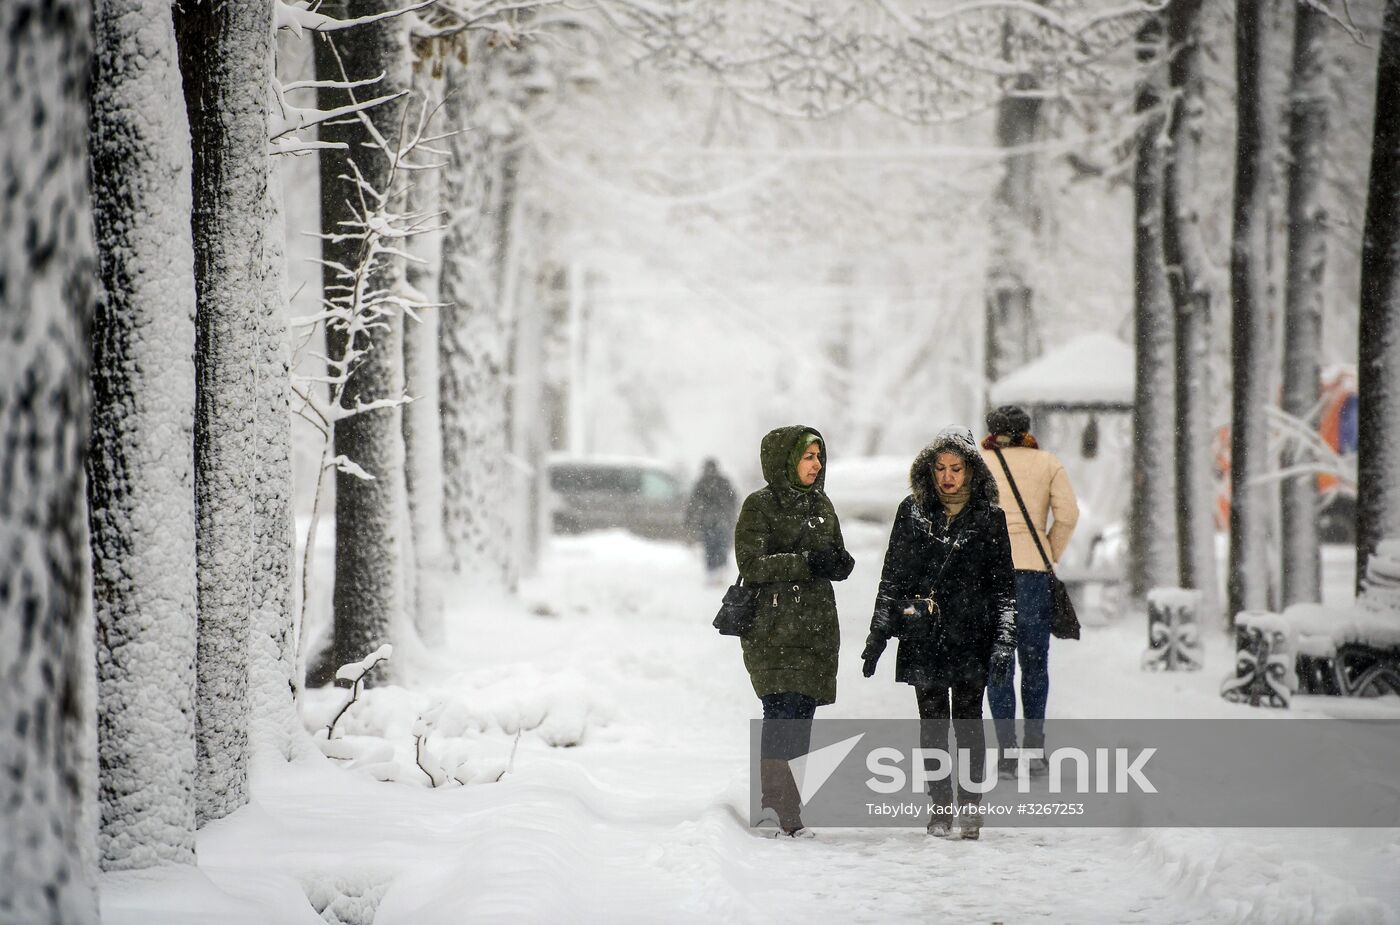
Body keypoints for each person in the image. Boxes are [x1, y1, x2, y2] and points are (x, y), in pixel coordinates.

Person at [861, 426, 1016, 840]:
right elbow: (891, 578)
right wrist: (878, 635)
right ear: (928, 471)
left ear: (971, 472)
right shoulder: (910, 512)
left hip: (973, 635)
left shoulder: (990, 518)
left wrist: (1003, 642)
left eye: (956, 468)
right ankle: (940, 807)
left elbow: (1004, 589)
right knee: (931, 726)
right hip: (923, 636)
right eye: (940, 468)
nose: (947, 477)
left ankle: (969, 807)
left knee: (968, 723)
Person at [734, 426, 855, 838]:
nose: (816, 465)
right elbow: (752, 565)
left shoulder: (822, 503)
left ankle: (783, 801)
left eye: (819, 456)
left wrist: (839, 563)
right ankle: (781, 807)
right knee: (780, 710)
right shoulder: (759, 506)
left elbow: (834, 553)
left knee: (802, 715)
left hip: (816, 628)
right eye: (808, 457)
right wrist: (805, 562)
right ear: (786, 460)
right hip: (772, 628)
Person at [979, 405, 1079, 778]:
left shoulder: (977, 463)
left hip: (990, 572)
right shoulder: (1047, 462)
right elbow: (1068, 515)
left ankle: (1006, 754)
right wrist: (1049, 549)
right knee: (1035, 662)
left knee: (998, 662)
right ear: (1026, 430)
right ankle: (1035, 751)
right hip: (1033, 573)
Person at [686, 458, 739, 582]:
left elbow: (693, 503)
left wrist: (689, 519)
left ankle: (712, 572)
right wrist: (732, 516)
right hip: (722, 521)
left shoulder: (701, 482)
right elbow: (734, 500)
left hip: (707, 521)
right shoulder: (724, 482)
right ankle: (720, 570)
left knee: (710, 546)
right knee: (721, 545)